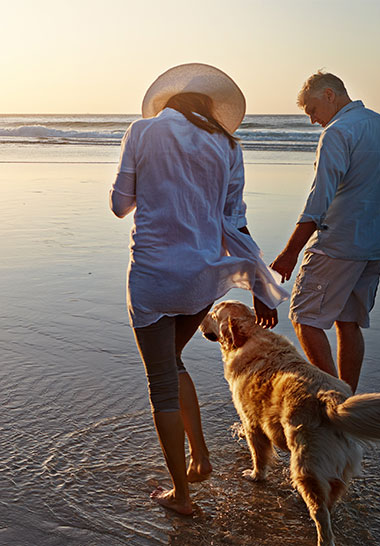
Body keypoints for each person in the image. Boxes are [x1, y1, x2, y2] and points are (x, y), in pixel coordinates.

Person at [109, 63, 288, 515]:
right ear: (211, 109)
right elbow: (235, 221)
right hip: (202, 281)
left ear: (165, 102)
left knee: (161, 385)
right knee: (172, 361)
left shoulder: (142, 132)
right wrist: (260, 286)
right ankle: (201, 457)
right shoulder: (228, 145)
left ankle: (182, 496)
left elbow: (119, 206)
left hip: (153, 276)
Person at [270, 71, 380, 394]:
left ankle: (335, 401)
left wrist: (290, 252)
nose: (313, 120)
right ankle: (350, 404)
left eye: (312, 110)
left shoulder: (337, 132)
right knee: (348, 322)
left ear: (329, 95)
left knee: (304, 318)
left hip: (338, 244)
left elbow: (319, 200)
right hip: (376, 244)